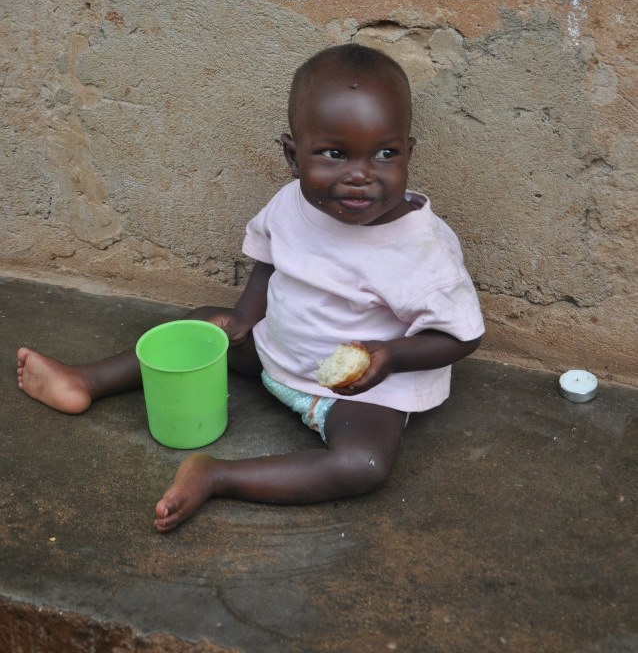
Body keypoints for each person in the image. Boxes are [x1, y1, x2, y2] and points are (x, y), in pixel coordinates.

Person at [17, 43, 484, 533]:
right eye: (334, 154)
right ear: (292, 155)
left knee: (363, 465)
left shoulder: (420, 248)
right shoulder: (292, 204)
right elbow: (267, 262)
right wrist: (244, 316)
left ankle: (216, 477)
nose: (360, 176)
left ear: (408, 153)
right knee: (201, 323)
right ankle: (85, 381)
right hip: (272, 350)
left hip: (356, 394)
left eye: (385, 154)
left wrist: (391, 355)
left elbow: (463, 336)